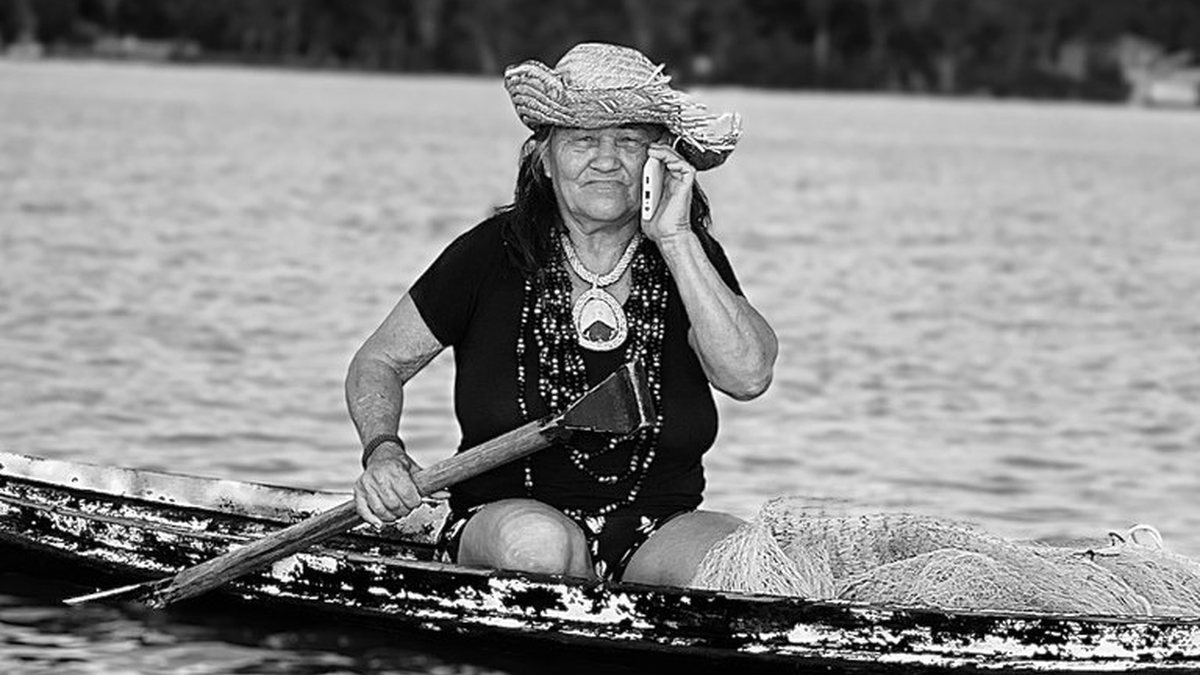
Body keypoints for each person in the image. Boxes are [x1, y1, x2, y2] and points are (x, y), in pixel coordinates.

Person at [346, 42, 777, 586]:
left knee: (746, 566)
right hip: (506, 515)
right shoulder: (487, 254)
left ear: (661, 159)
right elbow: (378, 361)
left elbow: (749, 377)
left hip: (660, 525)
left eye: (628, 141)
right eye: (582, 141)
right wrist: (383, 452)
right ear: (544, 158)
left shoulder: (690, 257)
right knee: (542, 548)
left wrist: (676, 237)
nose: (606, 159)